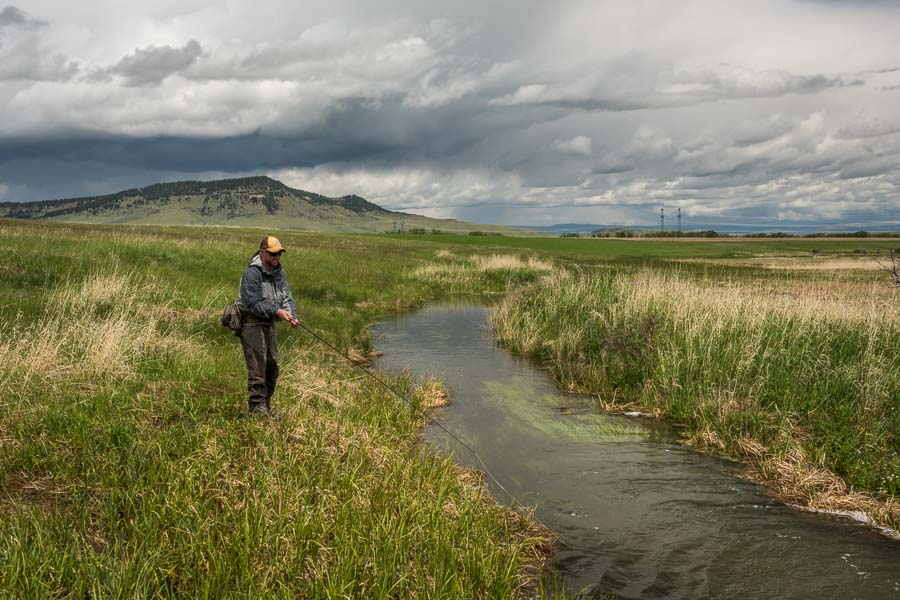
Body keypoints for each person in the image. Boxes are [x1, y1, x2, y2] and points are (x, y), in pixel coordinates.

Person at [238, 235, 299, 415]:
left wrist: (292, 316)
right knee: (258, 370)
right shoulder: (251, 274)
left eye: (279, 254)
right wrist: (277, 312)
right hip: (252, 324)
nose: (277, 257)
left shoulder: (279, 272)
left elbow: (286, 297)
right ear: (263, 252)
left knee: (272, 369)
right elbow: (253, 303)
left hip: (270, 323)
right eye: (273, 254)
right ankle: (258, 413)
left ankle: (265, 407)